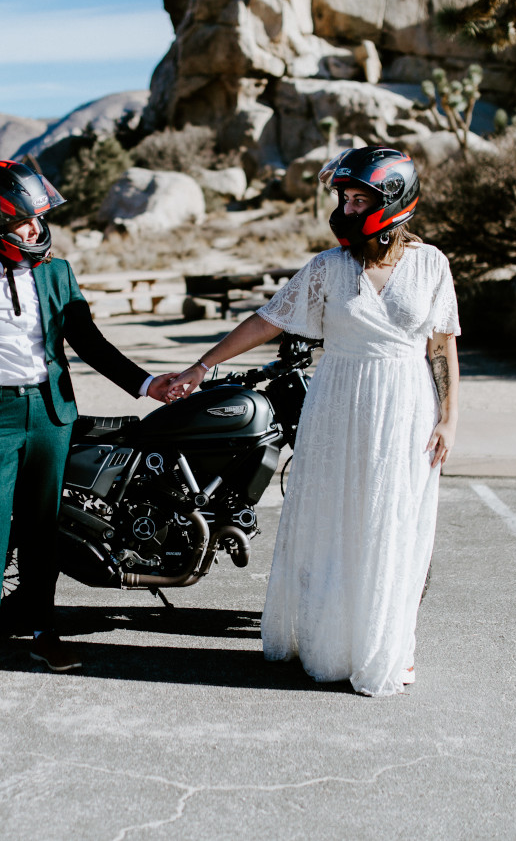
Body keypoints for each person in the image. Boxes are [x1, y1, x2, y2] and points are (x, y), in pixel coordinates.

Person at [166, 146, 460, 696]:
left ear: (391, 202)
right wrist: (202, 365)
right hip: (338, 402)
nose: (347, 210)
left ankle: (392, 646)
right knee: (336, 519)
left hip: (406, 406)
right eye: (344, 200)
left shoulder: (431, 265)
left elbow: (441, 344)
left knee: (394, 523)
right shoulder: (327, 268)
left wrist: (450, 418)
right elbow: (267, 320)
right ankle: (332, 641)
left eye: (358, 199)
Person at [0, 160, 178, 692]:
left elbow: (88, 341)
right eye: (23, 223)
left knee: (42, 534)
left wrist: (148, 384)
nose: (36, 229)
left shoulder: (57, 273)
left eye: (37, 219)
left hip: (51, 414)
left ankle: (41, 632)